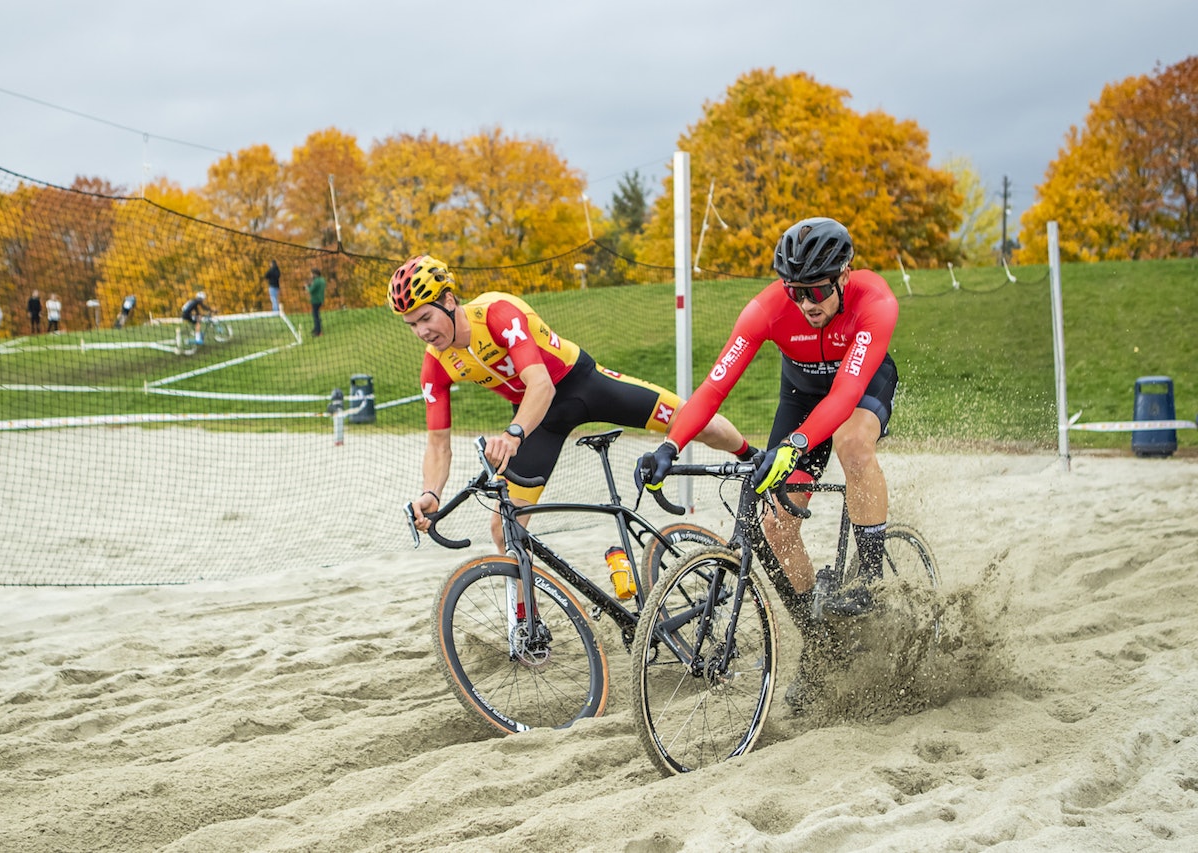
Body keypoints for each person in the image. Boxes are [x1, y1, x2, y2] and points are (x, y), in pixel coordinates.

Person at [635, 217, 899, 705]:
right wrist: (669, 447)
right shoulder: (767, 310)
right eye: (795, 291)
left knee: (852, 444)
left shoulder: (875, 301)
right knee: (775, 526)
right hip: (800, 395)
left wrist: (792, 447)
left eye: (817, 290)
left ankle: (870, 579)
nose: (806, 304)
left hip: (859, 388)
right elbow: (714, 387)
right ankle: (822, 646)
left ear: (845, 275)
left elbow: (844, 395)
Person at [391, 254, 754, 553]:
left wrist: (513, 434)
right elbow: (438, 444)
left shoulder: (497, 313)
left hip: (580, 385)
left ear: (450, 301)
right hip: (539, 421)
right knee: (505, 530)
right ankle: (526, 629)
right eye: (412, 324)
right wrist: (430, 493)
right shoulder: (435, 364)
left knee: (696, 420)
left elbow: (542, 386)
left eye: (426, 317)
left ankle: (752, 458)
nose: (422, 331)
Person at [308, 268, 326, 337]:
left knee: (316, 316)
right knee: (316, 314)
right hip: (321, 300)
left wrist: (307, 286)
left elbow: (311, 290)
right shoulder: (322, 279)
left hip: (315, 300)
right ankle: (316, 328)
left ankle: (318, 331)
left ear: (315, 274)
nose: (311, 275)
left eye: (311, 274)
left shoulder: (316, 281)